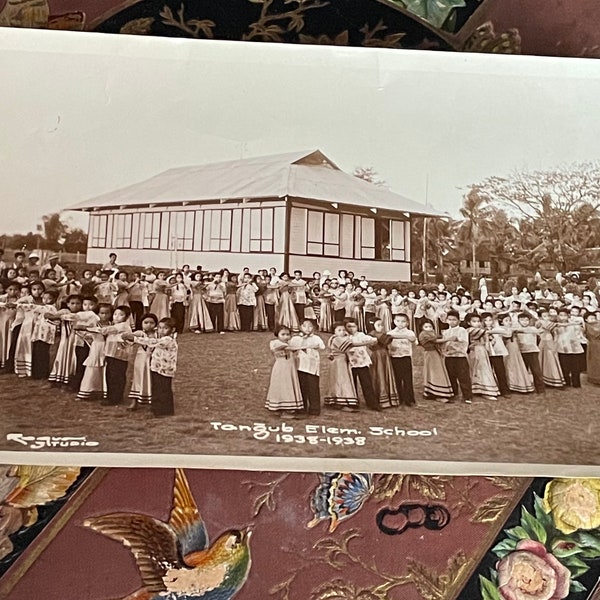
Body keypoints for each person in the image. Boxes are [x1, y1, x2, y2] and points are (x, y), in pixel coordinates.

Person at [125, 317, 178, 417]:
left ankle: (163, 411)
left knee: (163, 390)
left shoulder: (168, 340)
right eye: (160, 328)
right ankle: (159, 410)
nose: (162, 330)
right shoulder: (162, 338)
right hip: (157, 368)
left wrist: (135, 339)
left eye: (165, 328)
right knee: (158, 390)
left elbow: (152, 342)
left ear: (172, 329)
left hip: (164, 370)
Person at [264, 325, 304, 416]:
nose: (286, 336)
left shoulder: (289, 343)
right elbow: (284, 347)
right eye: (283, 334)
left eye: (288, 334)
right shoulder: (275, 343)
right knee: (282, 385)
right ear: (277, 335)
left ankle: (287, 406)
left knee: (289, 384)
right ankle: (283, 407)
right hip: (281, 368)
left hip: (290, 368)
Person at [76, 303, 113, 401]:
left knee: (106, 369)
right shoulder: (94, 324)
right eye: (102, 313)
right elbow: (78, 329)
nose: (104, 316)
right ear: (98, 314)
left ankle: (103, 390)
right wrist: (90, 335)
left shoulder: (112, 325)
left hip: (108, 347)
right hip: (97, 347)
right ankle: (88, 390)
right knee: (93, 369)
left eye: (107, 313)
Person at [99, 305, 133, 405]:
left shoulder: (122, 326)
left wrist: (90, 328)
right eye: (115, 314)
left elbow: (105, 330)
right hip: (111, 354)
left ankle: (114, 398)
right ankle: (112, 396)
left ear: (126, 317)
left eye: (121, 315)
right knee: (110, 375)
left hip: (119, 356)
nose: (117, 317)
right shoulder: (116, 326)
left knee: (116, 376)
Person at [345, 320, 379, 411]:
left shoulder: (360, 335)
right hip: (350, 363)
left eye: (353, 326)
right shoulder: (345, 337)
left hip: (362, 363)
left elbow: (372, 339)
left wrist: (372, 341)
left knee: (366, 383)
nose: (352, 329)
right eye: (349, 326)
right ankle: (354, 402)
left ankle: (372, 403)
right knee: (352, 384)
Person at [126, 313, 158, 409]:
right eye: (146, 322)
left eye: (152, 323)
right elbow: (131, 337)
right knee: (138, 378)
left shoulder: (158, 334)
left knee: (152, 379)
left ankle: (152, 400)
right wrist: (128, 335)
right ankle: (134, 401)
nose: (149, 325)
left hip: (154, 359)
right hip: (141, 359)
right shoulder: (140, 333)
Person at [324, 323, 358, 410]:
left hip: (340, 362)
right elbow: (349, 346)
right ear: (334, 332)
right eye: (339, 330)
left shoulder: (336, 339)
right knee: (341, 380)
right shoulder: (336, 339)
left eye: (343, 330)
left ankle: (338, 399)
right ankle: (341, 400)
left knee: (339, 380)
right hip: (339, 362)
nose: (342, 332)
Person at [465, 313, 499, 399]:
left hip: (481, 350)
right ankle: (484, 390)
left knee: (483, 369)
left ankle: (481, 389)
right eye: (474, 321)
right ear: (469, 323)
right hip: (475, 351)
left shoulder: (479, 330)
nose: (477, 323)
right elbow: (487, 332)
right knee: (480, 369)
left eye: (478, 321)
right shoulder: (470, 330)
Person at [441, 310, 472, 404]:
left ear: (458, 321)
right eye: (449, 319)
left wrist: (455, 340)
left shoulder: (462, 330)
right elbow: (444, 344)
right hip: (449, 357)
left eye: (454, 320)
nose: (451, 322)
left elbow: (464, 343)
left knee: (463, 376)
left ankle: (467, 395)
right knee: (451, 375)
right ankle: (453, 393)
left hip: (460, 356)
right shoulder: (445, 332)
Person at [418, 319, 453, 402]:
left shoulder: (431, 333)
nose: (428, 328)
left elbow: (437, 338)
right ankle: (437, 393)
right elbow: (436, 340)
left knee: (436, 372)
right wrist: (449, 339)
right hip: (430, 354)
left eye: (430, 326)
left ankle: (432, 391)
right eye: (426, 327)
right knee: (435, 372)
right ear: (422, 328)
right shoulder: (423, 334)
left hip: (434, 353)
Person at [368, 318, 400, 408]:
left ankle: (388, 396)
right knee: (379, 373)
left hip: (384, 355)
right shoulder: (373, 334)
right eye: (378, 325)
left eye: (382, 325)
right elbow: (385, 340)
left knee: (385, 373)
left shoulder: (381, 334)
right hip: (377, 355)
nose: (381, 327)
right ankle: (381, 396)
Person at [387, 313, 416, 406]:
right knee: (396, 378)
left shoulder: (410, 332)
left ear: (407, 323)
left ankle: (409, 399)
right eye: (398, 321)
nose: (400, 323)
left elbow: (412, 339)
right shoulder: (390, 332)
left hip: (405, 357)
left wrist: (404, 336)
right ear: (394, 321)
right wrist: (403, 337)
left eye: (403, 321)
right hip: (394, 357)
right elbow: (387, 338)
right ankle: (398, 397)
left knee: (407, 379)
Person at [513, 313, 545, 394]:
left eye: (526, 320)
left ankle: (540, 389)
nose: (524, 322)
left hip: (532, 351)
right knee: (523, 371)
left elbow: (539, 331)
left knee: (536, 371)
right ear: (518, 321)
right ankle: (524, 388)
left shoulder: (532, 328)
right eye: (522, 320)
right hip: (521, 352)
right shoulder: (516, 329)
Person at [554, 308, 584, 388]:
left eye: (565, 315)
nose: (563, 317)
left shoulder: (575, 325)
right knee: (564, 367)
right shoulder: (556, 326)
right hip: (562, 348)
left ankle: (576, 383)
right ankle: (566, 382)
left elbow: (579, 335)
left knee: (576, 367)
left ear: (568, 316)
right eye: (561, 315)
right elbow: (556, 337)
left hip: (575, 348)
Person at [584, 311, 600, 385]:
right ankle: (594, 378)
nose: (593, 320)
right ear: (586, 319)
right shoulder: (586, 325)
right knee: (593, 362)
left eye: (594, 318)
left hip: (598, 344)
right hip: (592, 346)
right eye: (590, 318)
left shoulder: (599, 324)